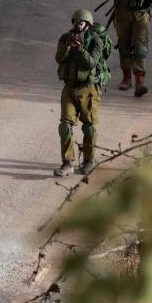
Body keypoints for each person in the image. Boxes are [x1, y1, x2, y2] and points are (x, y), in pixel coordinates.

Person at [55, 9, 108, 177]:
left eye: (82, 22)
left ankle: (88, 160)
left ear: (88, 24)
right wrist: (68, 46)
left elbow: (91, 63)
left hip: (88, 89)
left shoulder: (96, 41)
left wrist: (80, 49)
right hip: (69, 87)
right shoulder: (66, 38)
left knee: (89, 128)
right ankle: (67, 162)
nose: (78, 24)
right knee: (65, 126)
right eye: (76, 21)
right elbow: (59, 58)